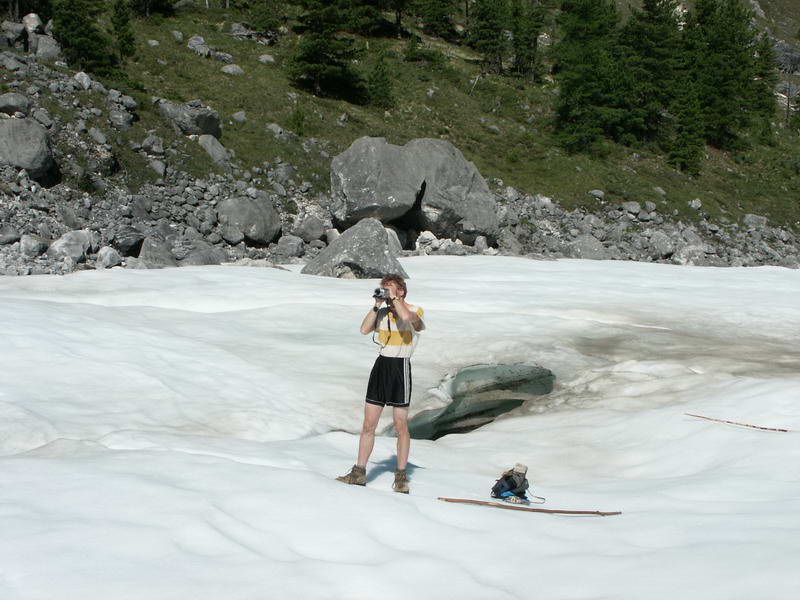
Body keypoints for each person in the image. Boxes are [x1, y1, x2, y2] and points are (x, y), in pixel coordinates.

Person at [336, 274, 425, 493]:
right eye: (383, 289)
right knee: (368, 424)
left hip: (400, 367)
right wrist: (377, 305)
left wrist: (395, 300)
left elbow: (408, 319)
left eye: (390, 289)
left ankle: (401, 475)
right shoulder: (382, 313)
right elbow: (364, 329)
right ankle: (359, 472)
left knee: (401, 425)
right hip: (381, 367)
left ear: (401, 291)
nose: (385, 292)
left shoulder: (415, 310)